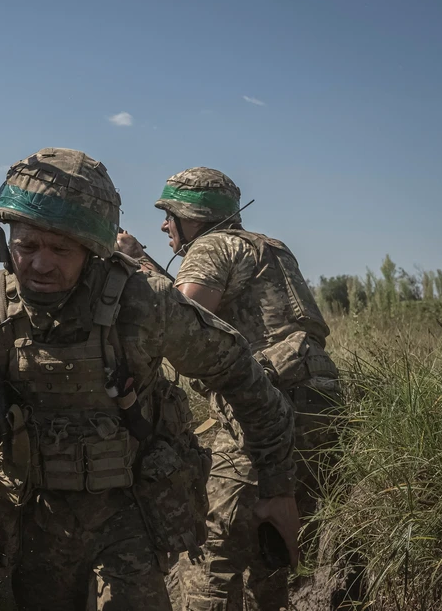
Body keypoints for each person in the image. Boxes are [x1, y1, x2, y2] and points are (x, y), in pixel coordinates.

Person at [0, 148, 299, 610]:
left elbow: (244, 377)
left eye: (61, 250)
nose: (41, 265)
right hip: (38, 521)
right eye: (27, 247)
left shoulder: (143, 304)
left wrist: (276, 488)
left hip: (132, 516)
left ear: (93, 250)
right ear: (9, 241)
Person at [117, 167, 344, 611]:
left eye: (169, 215)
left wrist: (133, 261)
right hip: (322, 406)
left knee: (209, 552)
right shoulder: (270, 248)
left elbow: (180, 319)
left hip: (262, 409)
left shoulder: (210, 246)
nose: (164, 225)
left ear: (191, 216)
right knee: (270, 546)